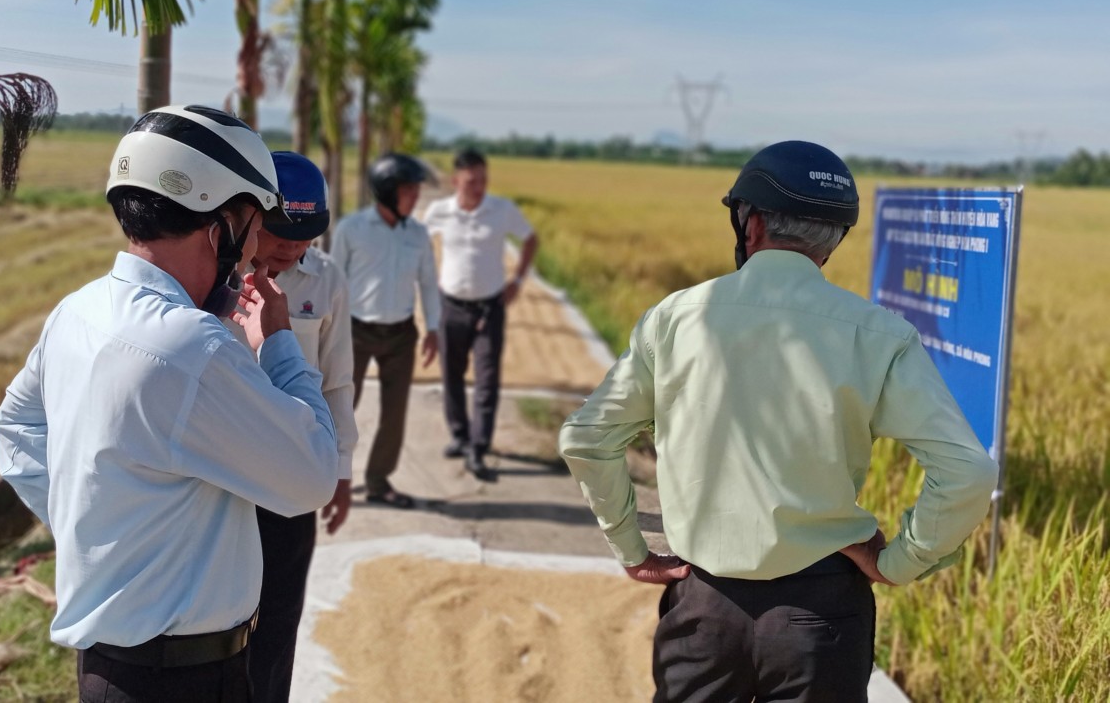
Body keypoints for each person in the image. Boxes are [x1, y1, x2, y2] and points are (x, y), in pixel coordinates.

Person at [559, 140, 999, 703]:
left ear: (753, 224)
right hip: (822, 616)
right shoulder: (881, 335)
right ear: (834, 237)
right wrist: (899, 562)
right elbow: (967, 471)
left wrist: (632, 548)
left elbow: (587, 438)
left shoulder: (674, 318)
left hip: (703, 607)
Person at [0, 105, 339, 703]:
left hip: (108, 673)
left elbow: (17, 426)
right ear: (221, 223)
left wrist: (94, 525)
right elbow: (312, 476)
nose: (259, 243)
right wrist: (278, 343)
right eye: (254, 222)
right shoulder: (192, 347)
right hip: (184, 679)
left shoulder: (77, 310)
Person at [225, 151, 358, 703]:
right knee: (220, 622)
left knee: (278, 621)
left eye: (305, 238)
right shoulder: (215, 278)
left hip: (292, 479)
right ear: (254, 218)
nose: (292, 249)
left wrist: (342, 468)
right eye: (281, 235)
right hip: (224, 478)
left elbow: (336, 381)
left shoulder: (324, 280)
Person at [331, 152, 439, 508]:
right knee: (341, 407)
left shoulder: (419, 235)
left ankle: (378, 482)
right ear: (388, 190)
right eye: (409, 189)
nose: (415, 197)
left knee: (394, 415)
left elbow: (428, 283)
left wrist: (433, 329)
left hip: (401, 334)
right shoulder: (352, 229)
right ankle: (326, 476)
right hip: (355, 332)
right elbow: (334, 281)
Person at [423, 148, 537, 481]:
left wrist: (517, 280)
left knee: (487, 379)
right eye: (472, 181)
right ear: (455, 180)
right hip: (451, 305)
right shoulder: (440, 211)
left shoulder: (501, 210)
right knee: (452, 374)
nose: (479, 187)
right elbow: (419, 243)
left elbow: (530, 239)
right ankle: (459, 435)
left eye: (483, 180)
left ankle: (479, 447)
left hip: (490, 307)